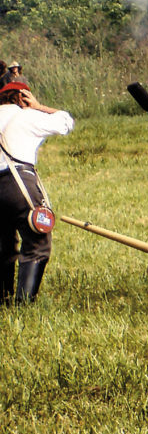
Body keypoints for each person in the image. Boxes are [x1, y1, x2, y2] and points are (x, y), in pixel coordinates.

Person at [0, 82, 75, 304]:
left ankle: (3, 298)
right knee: (37, 241)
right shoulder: (26, 116)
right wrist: (39, 106)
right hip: (18, 182)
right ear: (22, 98)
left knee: (3, 244)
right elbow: (65, 123)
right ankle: (24, 303)